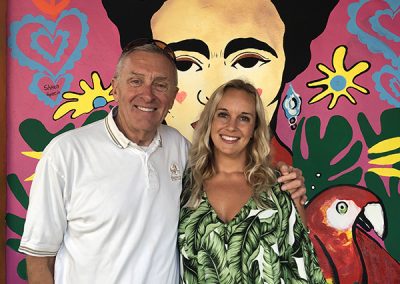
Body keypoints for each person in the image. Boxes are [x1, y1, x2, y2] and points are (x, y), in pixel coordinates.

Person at [19, 39, 306, 283]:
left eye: (161, 85)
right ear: (115, 88)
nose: (147, 94)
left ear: (172, 98)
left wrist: (283, 179)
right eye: (136, 81)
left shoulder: (178, 148)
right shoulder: (67, 153)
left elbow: (231, 173)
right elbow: (39, 258)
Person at [102, 0, 338, 163]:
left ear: (289, 64)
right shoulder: (153, 166)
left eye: (247, 61)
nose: (213, 93)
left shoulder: (284, 188)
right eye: (185, 64)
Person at [179, 79, 325, 283]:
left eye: (244, 118)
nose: (232, 126)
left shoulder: (280, 186)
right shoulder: (183, 186)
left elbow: (302, 268)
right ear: (210, 120)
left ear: (255, 129)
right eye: (223, 115)